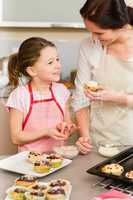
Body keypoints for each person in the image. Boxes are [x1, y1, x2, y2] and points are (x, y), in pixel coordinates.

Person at [72, 0, 133, 154]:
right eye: (90, 31)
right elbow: (80, 97)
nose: (94, 37)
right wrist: (85, 138)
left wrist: (119, 98)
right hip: (99, 142)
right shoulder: (89, 46)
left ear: (121, 25)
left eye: (99, 33)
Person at [6, 37, 77, 153]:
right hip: (29, 162)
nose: (58, 65)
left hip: (58, 159)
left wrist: (68, 129)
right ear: (32, 71)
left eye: (57, 59)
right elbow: (16, 137)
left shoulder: (61, 91)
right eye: (50, 62)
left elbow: (67, 124)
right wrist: (46, 132)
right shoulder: (19, 95)